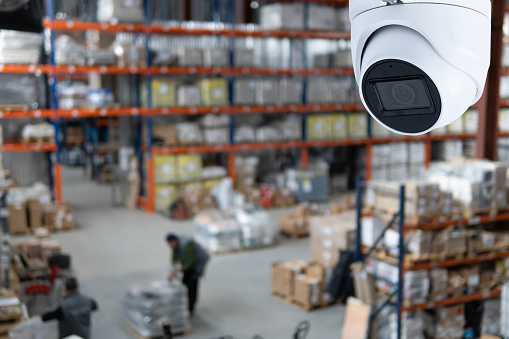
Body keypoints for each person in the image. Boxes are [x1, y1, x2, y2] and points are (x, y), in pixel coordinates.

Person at [166, 233, 210, 315]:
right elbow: (174, 256)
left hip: (197, 264)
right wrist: (172, 269)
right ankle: (185, 305)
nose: (170, 245)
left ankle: (191, 308)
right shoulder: (175, 245)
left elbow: (191, 262)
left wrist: (178, 269)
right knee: (185, 284)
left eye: (171, 243)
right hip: (189, 264)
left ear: (174, 241)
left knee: (192, 286)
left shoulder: (186, 246)